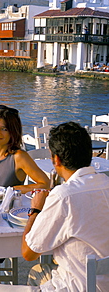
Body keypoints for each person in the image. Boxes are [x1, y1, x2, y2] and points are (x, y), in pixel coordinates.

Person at [22, 122, 109, 291]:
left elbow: (28, 253)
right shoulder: (105, 183)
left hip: (78, 287)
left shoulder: (64, 196)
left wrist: (35, 210)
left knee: (36, 272)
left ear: (56, 159)